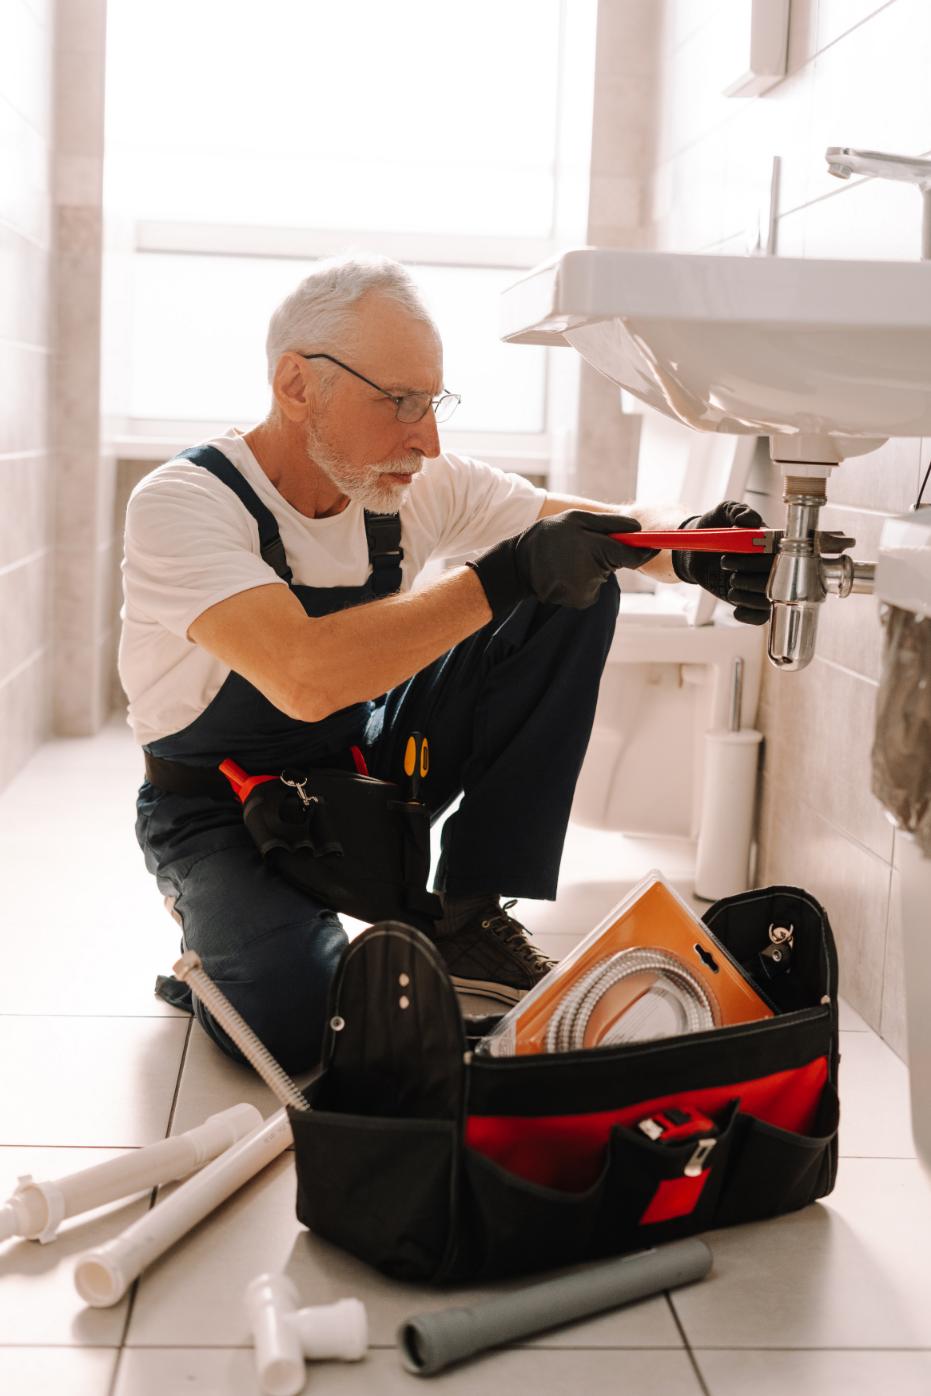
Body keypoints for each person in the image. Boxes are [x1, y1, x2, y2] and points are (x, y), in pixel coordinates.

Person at [119, 255, 771, 1072]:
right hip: (221, 805)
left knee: (572, 581)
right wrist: (502, 574)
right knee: (290, 1029)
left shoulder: (409, 483)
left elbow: (603, 527)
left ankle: (465, 918)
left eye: (431, 403)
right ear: (296, 386)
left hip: (363, 764)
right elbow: (303, 676)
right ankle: (224, 931)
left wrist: (696, 545)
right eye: (399, 402)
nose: (426, 439)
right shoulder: (184, 503)